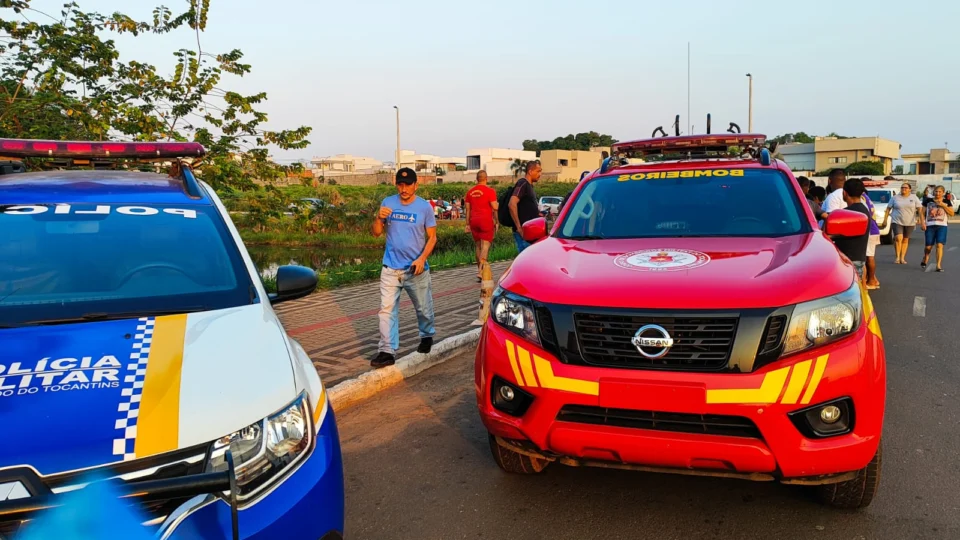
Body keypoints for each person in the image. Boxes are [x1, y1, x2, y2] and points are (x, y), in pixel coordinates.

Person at [370, 168, 437, 368]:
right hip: (390, 268)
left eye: (408, 184)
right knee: (386, 311)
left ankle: (427, 335)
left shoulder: (424, 207)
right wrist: (378, 218)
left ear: (416, 185)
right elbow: (376, 233)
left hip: (415, 269)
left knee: (424, 309)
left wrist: (421, 259)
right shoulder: (387, 203)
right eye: (400, 184)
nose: (404, 188)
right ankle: (387, 351)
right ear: (396, 184)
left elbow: (432, 237)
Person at [831, 178, 870, 283]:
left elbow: (830, 234)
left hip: (846, 261)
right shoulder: (865, 211)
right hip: (859, 258)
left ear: (844, 192)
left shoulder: (844, 214)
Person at [464, 170, 499, 280]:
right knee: (485, 246)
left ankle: (479, 269)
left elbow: (468, 210)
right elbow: (495, 207)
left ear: (477, 179)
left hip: (474, 220)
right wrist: (497, 222)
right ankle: (481, 271)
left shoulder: (470, 192)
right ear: (486, 178)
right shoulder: (490, 191)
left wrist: (467, 224)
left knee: (478, 246)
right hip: (485, 220)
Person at [884, 182, 924, 264]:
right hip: (897, 220)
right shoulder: (895, 198)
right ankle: (897, 257)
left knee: (905, 240)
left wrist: (921, 221)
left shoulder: (914, 198)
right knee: (898, 238)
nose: (903, 189)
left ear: (909, 189)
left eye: (905, 188)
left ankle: (902, 257)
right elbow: (888, 209)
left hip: (910, 222)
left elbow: (920, 210)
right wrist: (885, 220)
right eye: (902, 187)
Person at [508, 160, 542, 253]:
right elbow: (512, 204)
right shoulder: (523, 183)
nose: (540, 174)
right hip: (523, 233)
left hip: (530, 233)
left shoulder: (530, 187)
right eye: (538, 171)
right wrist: (519, 227)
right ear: (530, 172)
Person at [921, 185, 955, 272]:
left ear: (943, 193)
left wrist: (943, 205)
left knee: (939, 245)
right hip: (930, 225)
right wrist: (922, 222)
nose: (938, 193)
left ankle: (938, 265)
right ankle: (926, 257)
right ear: (934, 192)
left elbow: (952, 213)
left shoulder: (946, 201)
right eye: (936, 191)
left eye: (940, 192)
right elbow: (922, 212)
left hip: (942, 225)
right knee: (928, 247)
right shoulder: (928, 200)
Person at [859, 185, 882, 290]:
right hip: (873, 229)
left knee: (868, 257)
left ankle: (871, 280)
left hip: (870, 230)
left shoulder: (862, 198)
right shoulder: (866, 197)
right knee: (869, 256)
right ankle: (873, 279)